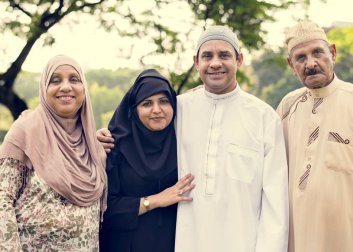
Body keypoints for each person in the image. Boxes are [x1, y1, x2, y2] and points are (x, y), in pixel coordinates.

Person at [98, 26, 289, 252]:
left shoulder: (264, 117)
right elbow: (136, 129)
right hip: (185, 243)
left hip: (242, 242)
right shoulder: (178, 109)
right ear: (196, 62)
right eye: (207, 56)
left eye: (224, 55)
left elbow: (275, 203)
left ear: (239, 59)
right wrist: (98, 137)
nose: (215, 63)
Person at [276, 20, 353, 252]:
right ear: (291, 64)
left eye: (317, 53)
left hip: (351, 241)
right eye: (300, 58)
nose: (311, 63)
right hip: (298, 241)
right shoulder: (287, 107)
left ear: (332, 53)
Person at [0, 55, 107, 251]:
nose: (66, 87)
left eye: (74, 79)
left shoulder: (92, 143)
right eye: (55, 80)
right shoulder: (25, 131)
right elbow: (2, 200)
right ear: (44, 89)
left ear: (84, 89)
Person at [99, 69, 195, 252]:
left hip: (175, 243)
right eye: (147, 103)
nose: (157, 110)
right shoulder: (114, 147)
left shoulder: (184, 143)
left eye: (164, 101)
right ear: (134, 109)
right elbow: (105, 211)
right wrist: (155, 200)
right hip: (126, 245)